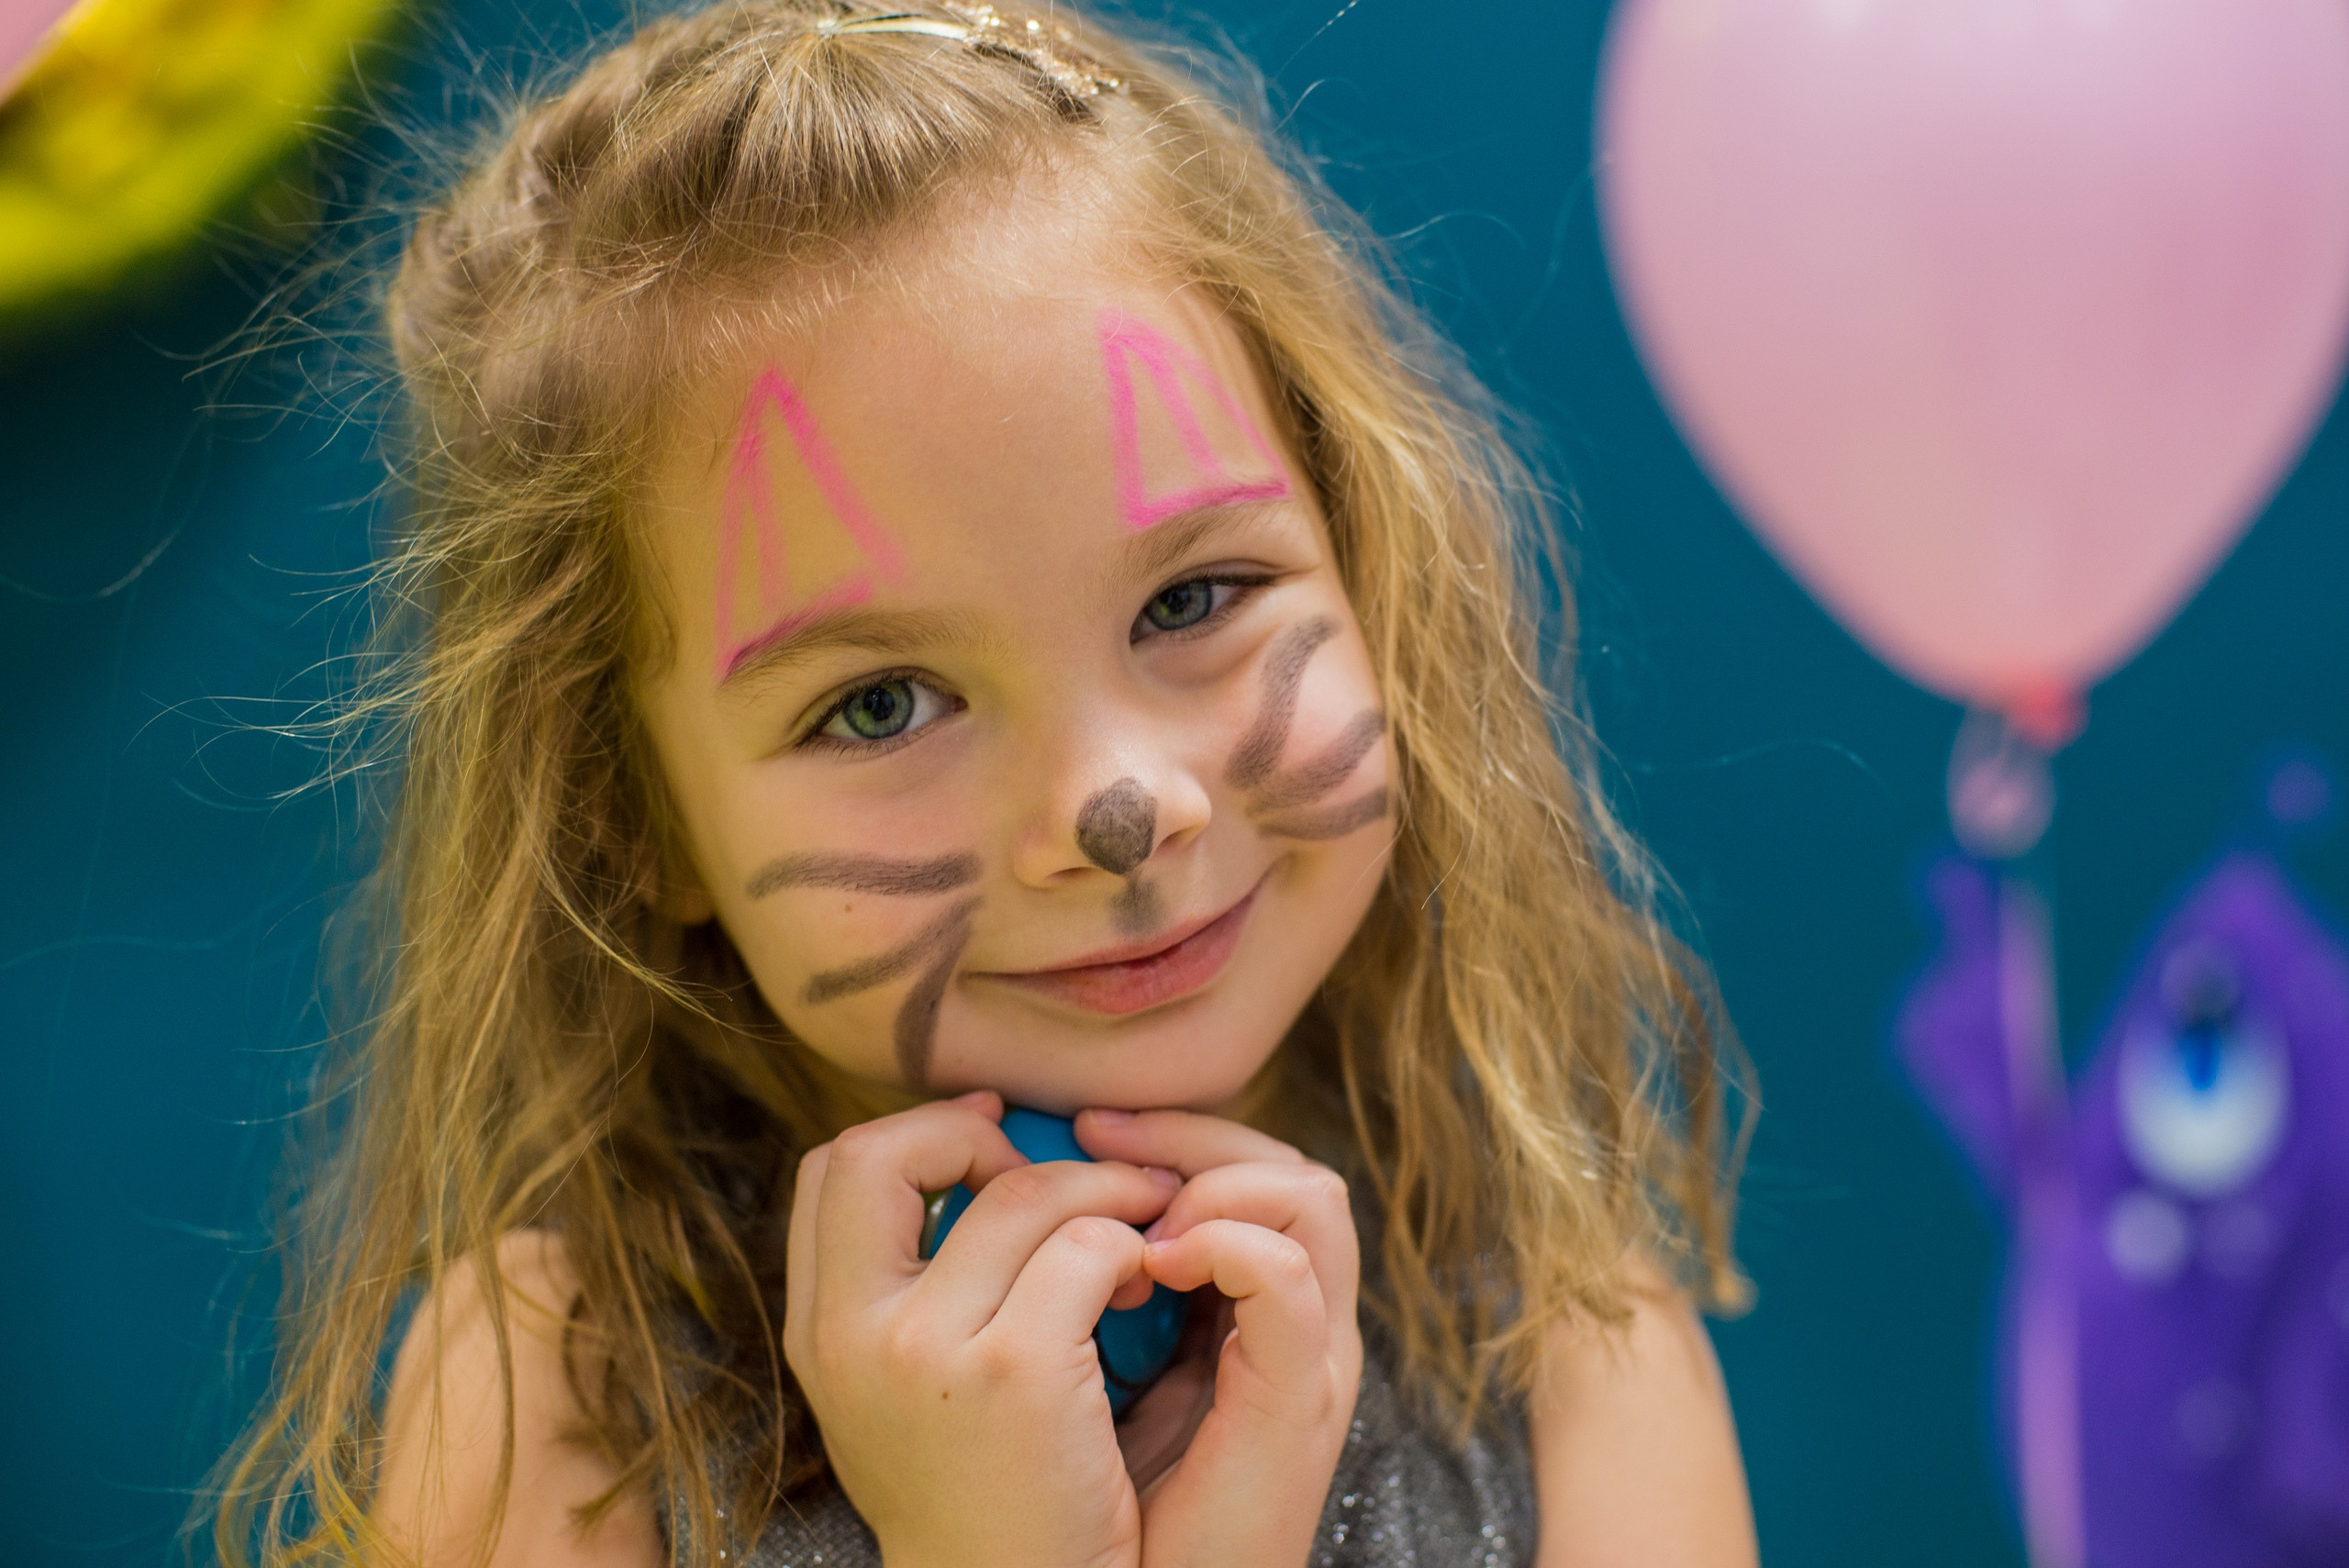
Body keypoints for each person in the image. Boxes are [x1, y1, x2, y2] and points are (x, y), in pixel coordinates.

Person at [217, 5, 1756, 1563]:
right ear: (629, 814)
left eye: (1193, 599)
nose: (1118, 803)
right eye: (880, 703)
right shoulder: (560, 1391)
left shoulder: (1580, 1364)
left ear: (1368, 563)